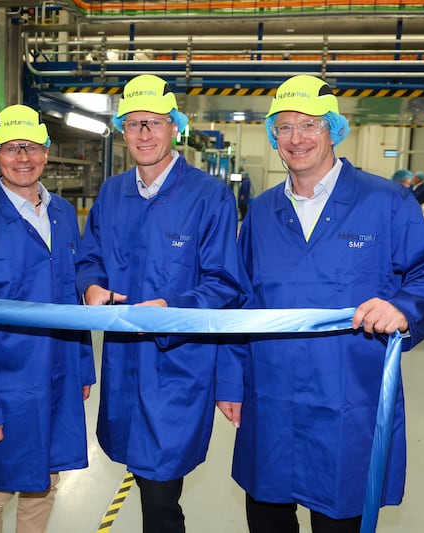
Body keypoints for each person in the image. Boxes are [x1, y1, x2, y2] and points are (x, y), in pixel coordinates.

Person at [232, 74, 424, 532]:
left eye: (310, 125)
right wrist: (231, 383)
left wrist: (405, 307)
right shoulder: (260, 212)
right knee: (266, 516)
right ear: (273, 136)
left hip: (348, 396)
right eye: (284, 127)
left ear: (334, 130)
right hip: (270, 397)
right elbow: (241, 301)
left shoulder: (386, 202)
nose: (296, 139)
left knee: (341, 516)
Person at [76, 74, 245, 533]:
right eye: (134, 124)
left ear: (175, 127)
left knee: (160, 491)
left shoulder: (209, 197)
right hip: (123, 362)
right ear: (123, 131)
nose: (144, 133)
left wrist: (170, 306)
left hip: (177, 364)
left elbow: (224, 281)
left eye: (154, 123)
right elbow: (87, 257)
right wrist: (90, 286)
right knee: (142, 471)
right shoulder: (112, 194)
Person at [0, 104, 95, 533]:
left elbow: (72, 299)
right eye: (11, 148)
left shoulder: (63, 216)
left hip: (59, 378)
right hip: (5, 389)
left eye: (31, 147)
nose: (23, 157)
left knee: (46, 482)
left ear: (46, 153)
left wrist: (83, 367)